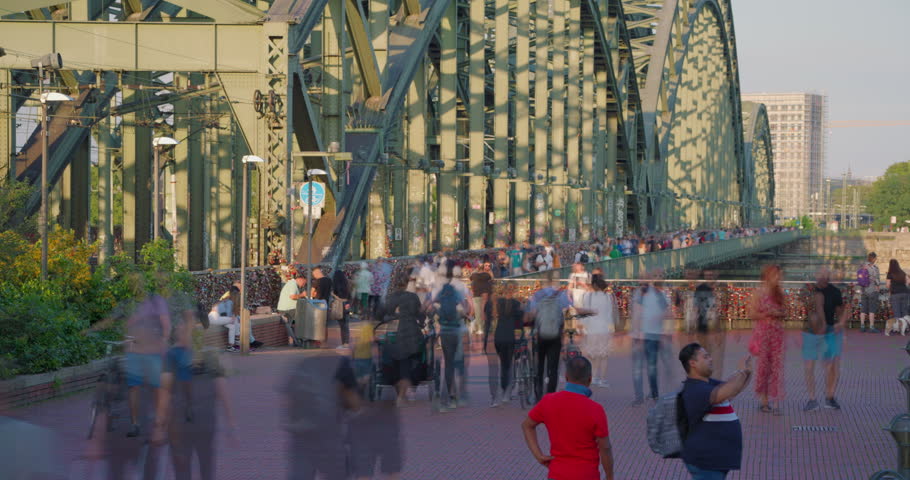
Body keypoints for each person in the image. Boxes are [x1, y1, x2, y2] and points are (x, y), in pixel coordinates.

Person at [521, 356, 614, 480]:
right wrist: (609, 476)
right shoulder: (595, 409)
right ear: (590, 379)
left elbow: (527, 425)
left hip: (557, 473)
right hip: (586, 474)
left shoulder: (549, 401)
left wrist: (538, 455)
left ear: (566, 377)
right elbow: (605, 448)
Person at [280, 351, 360, 480]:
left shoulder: (303, 362)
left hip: (301, 431)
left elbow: (288, 399)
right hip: (328, 433)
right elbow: (353, 401)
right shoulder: (343, 364)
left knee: (300, 472)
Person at [678, 343, 752, 479]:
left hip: (714, 461)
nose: (710, 359)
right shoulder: (695, 390)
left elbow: (732, 389)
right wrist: (741, 372)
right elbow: (730, 389)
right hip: (706, 463)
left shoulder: (707, 383)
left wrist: (746, 372)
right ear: (693, 363)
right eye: (705, 357)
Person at [525, 272, 590, 396]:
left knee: (539, 366)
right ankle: (550, 394)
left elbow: (531, 314)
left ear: (543, 282)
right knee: (553, 368)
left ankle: (538, 394)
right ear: (554, 281)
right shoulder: (561, 295)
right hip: (556, 335)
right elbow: (570, 310)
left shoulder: (537, 295)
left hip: (541, 335)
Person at [802, 268, 848, 411]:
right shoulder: (808, 290)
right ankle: (812, 398)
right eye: (819, 275)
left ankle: (830, 396)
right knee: (809, 366)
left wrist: (840, 323)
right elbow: (808, 306)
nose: (821, 278)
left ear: (828, 277)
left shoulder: (835, 292)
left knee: (831, 365)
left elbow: (841, 310)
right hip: (810, 331)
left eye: (824, 275)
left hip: (830, 330)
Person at [428, 268, 469, 410]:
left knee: (448, 363)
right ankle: (457, 395)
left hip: (444, 332)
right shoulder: (456, 293)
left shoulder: (440, 293)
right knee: (459, 363)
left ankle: (448, 397)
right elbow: (464, 310)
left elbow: (432, 307)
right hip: (456, 332)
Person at [749, 265, 786, 414]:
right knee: (763, 367)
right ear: (767, 276)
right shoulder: (758, 293)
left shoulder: (779, 293)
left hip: (777, 334)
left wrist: (779, 313)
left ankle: (776, 402)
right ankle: (764, 401)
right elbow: (751, 313)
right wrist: (767, 314)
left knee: (777, 367)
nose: (778, 278)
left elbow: (785, 312)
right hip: (763, 333)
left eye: (779, 275)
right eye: (775, 275)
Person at [489, 289, 523, 406]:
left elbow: (492, 316)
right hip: (510, 337)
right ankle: (507, 391)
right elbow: (522, 321)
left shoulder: (499, 303)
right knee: (509, 364)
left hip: (499, 337)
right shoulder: (516, 304)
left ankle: (503, 391)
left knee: (503, 364)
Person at [581, 277, 617, 387]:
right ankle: (602, 379)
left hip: (591, 329)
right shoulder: (608, 297)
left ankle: (593, 377)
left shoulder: (588, 296)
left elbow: (585, 314)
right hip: (604, 329)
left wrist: (584, 327)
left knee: (592, 355)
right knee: (604, 355)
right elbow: (609, 314)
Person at [470, 261, 494, 351]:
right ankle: (484, 329)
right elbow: (491, 278)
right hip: (485, 295)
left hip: (476, 295)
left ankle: (479, 329)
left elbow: (470, 278)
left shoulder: (474, 275)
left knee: (478, 313)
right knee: (484, 312)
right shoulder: (486, 275)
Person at [278, 273, 307, 344]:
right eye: (304, 283)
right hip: (288, 309)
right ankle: (298, 340)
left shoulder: (293, 284)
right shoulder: (292, 284)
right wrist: (302, 295)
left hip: (288, 308)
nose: (303, 285)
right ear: (300, 279)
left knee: (295, 323)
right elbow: (293, 296)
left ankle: (297, 340)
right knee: (298, 323)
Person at [858, 252, 882, 333]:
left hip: (863, 290)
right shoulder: (874, 267)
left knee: (863, 309)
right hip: (872, 290)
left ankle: (862, 326)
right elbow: (877, 280)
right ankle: (871, 327)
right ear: (874, 258)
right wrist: (878, 285)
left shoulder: (862, 266)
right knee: (872, 309)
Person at [887, 259, 910, 336]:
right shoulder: (902, 272)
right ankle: (906, 328)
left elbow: (887, 285)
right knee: (904, 311)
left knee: (897, 311)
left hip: (895, 294)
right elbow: (908, 282)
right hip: (905, 293)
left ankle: (897, 328)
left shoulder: (890, 273)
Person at [332, 269, 352, 349]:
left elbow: (338, 296)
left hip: (340, 305)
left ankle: (344, 343)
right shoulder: (347, 284)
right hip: (346, 304)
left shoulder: (336, 285)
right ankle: (346, 343)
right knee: (346, 325)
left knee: (342, 325)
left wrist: (333, 294)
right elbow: (350, 295)